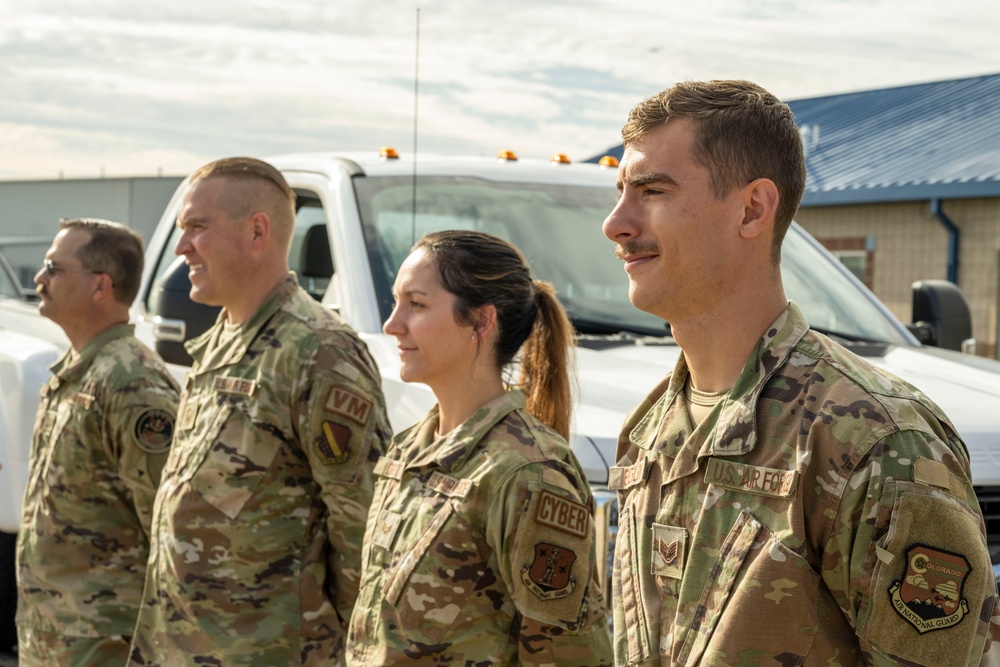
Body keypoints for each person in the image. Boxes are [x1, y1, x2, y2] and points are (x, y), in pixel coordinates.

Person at [602, 79, 1000, 666]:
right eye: (620, 192)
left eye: (651, 190)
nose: (616, 223)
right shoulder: (652, 427)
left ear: (751, 208)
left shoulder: (873, 438)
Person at [127, 157, 391, 666]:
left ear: (257, 230)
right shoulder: (218, 344)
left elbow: (363, 526)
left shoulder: (318, 351)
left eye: (197, 229)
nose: (181, 249)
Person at [347, 230, 613, 666]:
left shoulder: (525, 473)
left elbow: (569, 654)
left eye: (416, 304)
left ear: (480, 322)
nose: (392, 324)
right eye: (396, 302)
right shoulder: (407, 451)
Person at [16, 218, 180, 666]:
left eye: (54, 267)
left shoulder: (133, 384)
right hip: (55, 635)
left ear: (100, 286)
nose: (39, 278)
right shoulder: (79, 369)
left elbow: (168, 529)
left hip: (105, 642)